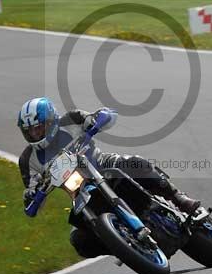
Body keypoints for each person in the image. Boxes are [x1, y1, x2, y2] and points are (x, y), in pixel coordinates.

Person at [16, 97, 201, 258]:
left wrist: (97, 120)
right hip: (77, 190)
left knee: (136, 163)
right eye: (30, 131)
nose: (34, 134)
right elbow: (32, 197)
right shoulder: (27, 160)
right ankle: (124, 246)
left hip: (102, 164)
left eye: (38, 128)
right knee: (79, 241)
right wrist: (32, 196)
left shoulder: (71, 119)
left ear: (51, 121)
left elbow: (108, 115)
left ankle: (178, 198)